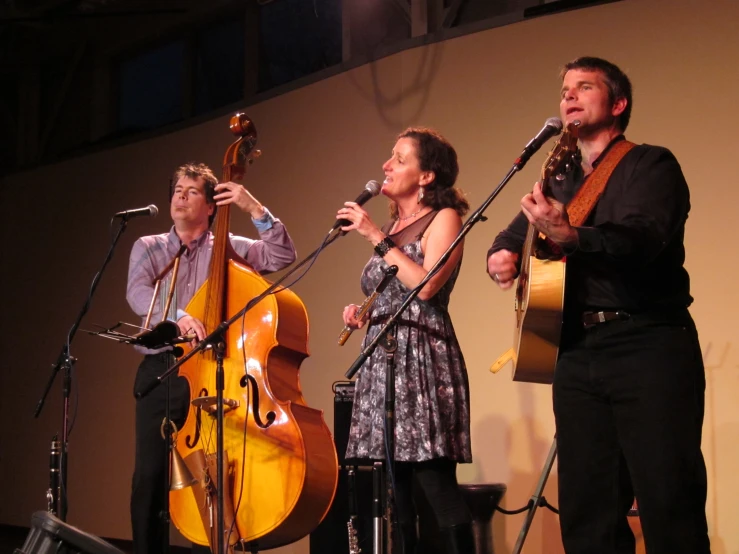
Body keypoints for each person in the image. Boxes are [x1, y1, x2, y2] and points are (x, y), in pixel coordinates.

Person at [487, 57, 710, 553]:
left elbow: (642, 239)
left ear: (618, 104)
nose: (568, 96)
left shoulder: (651, 164)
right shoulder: (558, 178)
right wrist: (500, 256)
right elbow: (513, 233)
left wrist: (571, 234)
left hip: (647, 343)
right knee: (589, 513)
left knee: (667, 500)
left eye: (584, 87)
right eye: (565, 88)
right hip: (575, 353)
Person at [126, 162, 297, 554]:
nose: (181, 197)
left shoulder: (230, 247)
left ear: (211, 206)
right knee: (150, 476)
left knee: (215, 474)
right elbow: (137, 294)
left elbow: (282, 254)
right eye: (177, 190)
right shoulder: (149, 247)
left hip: (217, 371)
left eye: (192, 191)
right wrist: (179, 317)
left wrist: (255, 209)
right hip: (164, 368)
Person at [337, 127, 474, 553]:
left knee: (434, 483)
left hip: (423, 361)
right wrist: (366, 313)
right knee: (397, 491)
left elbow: (426, 286)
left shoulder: (443, 217)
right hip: (385, 361)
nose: (386, 166)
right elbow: (395, 289)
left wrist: (373, 235)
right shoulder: (397, 225)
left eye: (399, 159)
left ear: (427, 175)